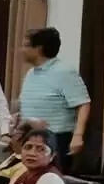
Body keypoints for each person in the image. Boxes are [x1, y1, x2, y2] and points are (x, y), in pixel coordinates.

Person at [19, 27, 91, 168]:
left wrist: (78, 135)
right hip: (30, 137)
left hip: (56, 139)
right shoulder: (31, 73)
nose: (22, 50)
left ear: (39, 48)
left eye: (26, 46)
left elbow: (83, 103)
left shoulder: (64, 71)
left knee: (51, 178)